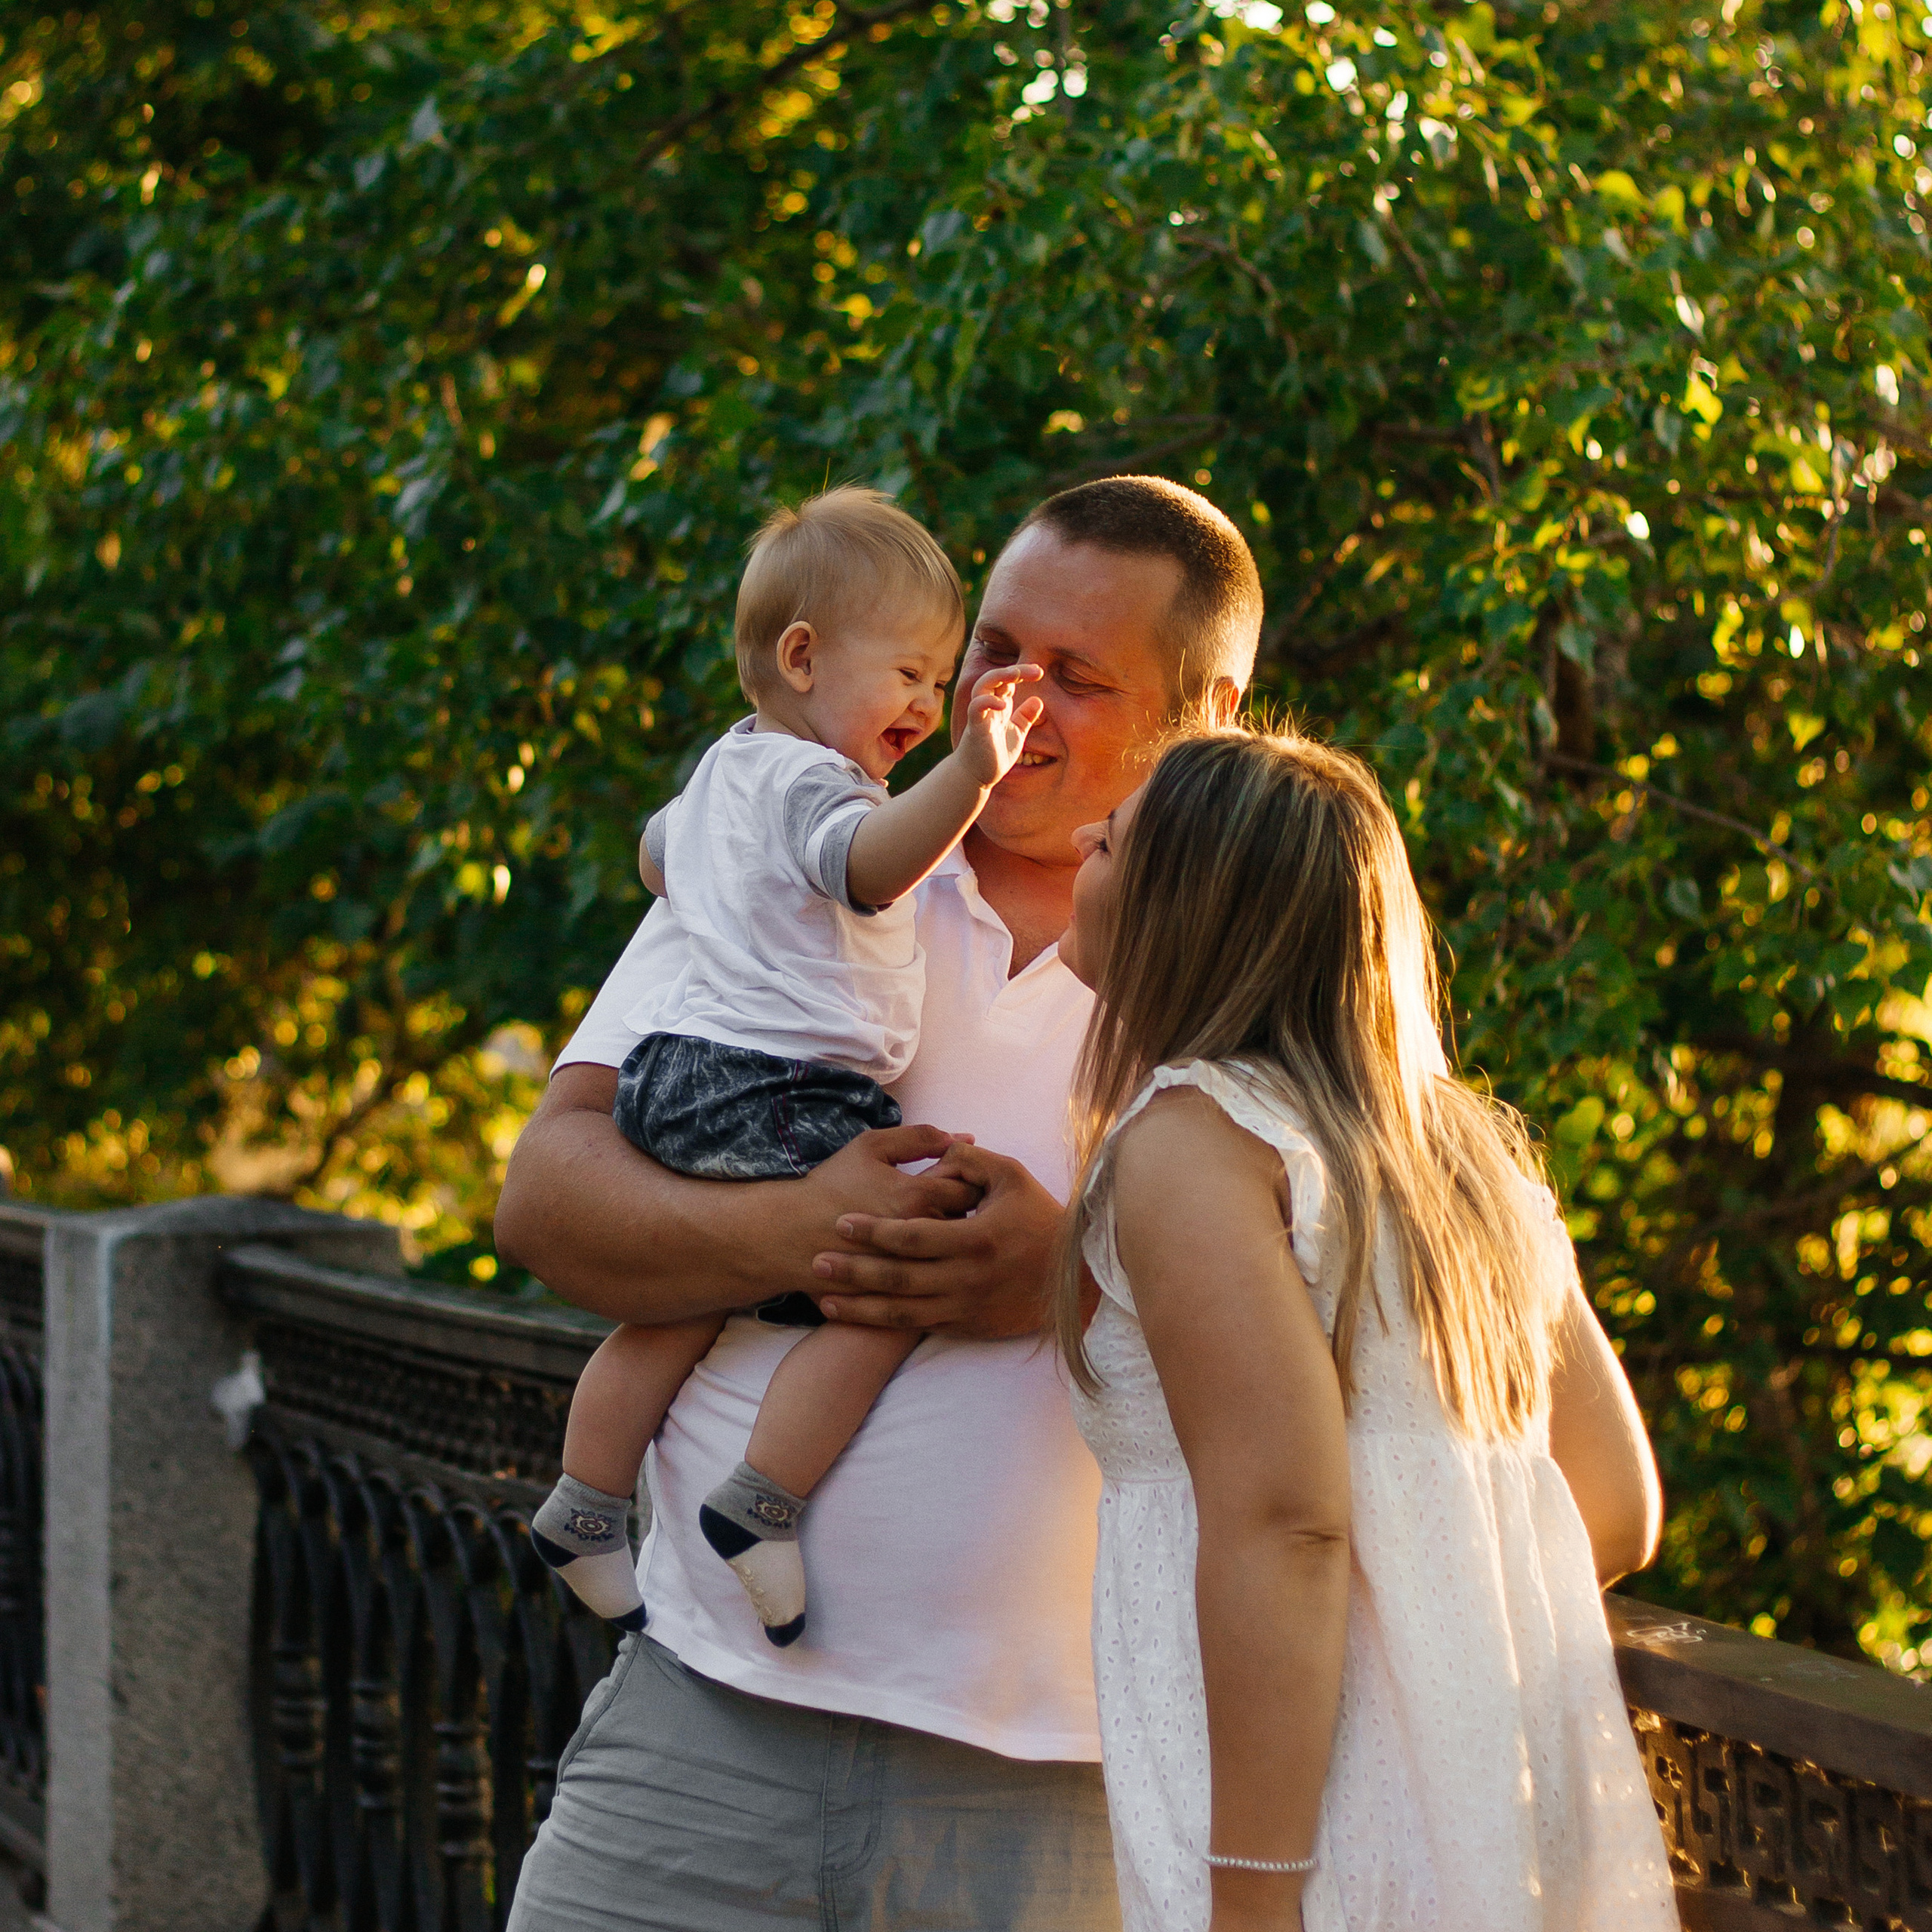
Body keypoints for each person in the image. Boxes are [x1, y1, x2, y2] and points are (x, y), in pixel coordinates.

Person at [496, 475, 1263, 1931]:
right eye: (996, 651)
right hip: (696, 1732)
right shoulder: (804, 857)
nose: (1010, 696)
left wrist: (1074, 1281)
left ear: (1210, 710)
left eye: (1078, 676)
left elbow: (1375, 1322)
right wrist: (802, 1234)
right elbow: (544, 1204)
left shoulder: (1269, 947)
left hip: (1061, 1789)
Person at [1052, 726, 1678, 1932]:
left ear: (1191, 909)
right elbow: (1614, 1501)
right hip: (1485, 1807)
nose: (1084, 834)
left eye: (1115, 840)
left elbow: (1285, 1523)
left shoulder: (1193, 1145)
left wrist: (1251, 1899)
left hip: (1304, 1838)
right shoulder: (1463, 1160)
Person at [528, 487, 1044, 1647]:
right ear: (803, 659)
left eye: (940, 679)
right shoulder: (823, 786)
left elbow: (656, 857)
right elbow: (870, 866)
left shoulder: (728, 767)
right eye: (907, 673)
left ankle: (585, 1502)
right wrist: (972, 771)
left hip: (679, 1072)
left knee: (690, 1294)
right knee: (901, 1277)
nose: (927, 702)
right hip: (772, 1083)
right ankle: (760, 1501)